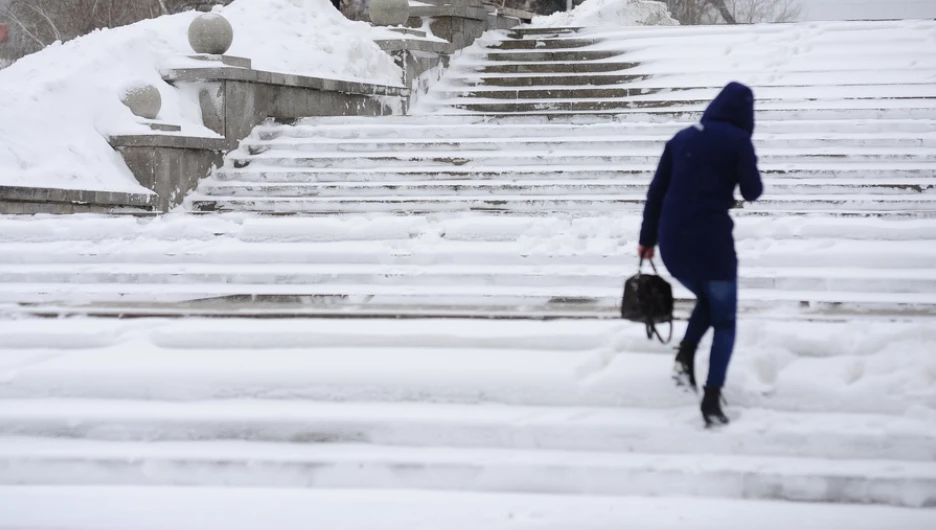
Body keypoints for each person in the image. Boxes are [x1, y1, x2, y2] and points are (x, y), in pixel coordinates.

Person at [637, 82, 763, 427]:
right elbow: (753, 191)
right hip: (712, 244)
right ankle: (711, 396)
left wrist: (646, 239)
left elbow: (656, 192)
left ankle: (684, 355)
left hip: (673, 243)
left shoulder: (681, 138)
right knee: (724, 318)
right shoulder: (738, 141)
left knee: (707, 301)